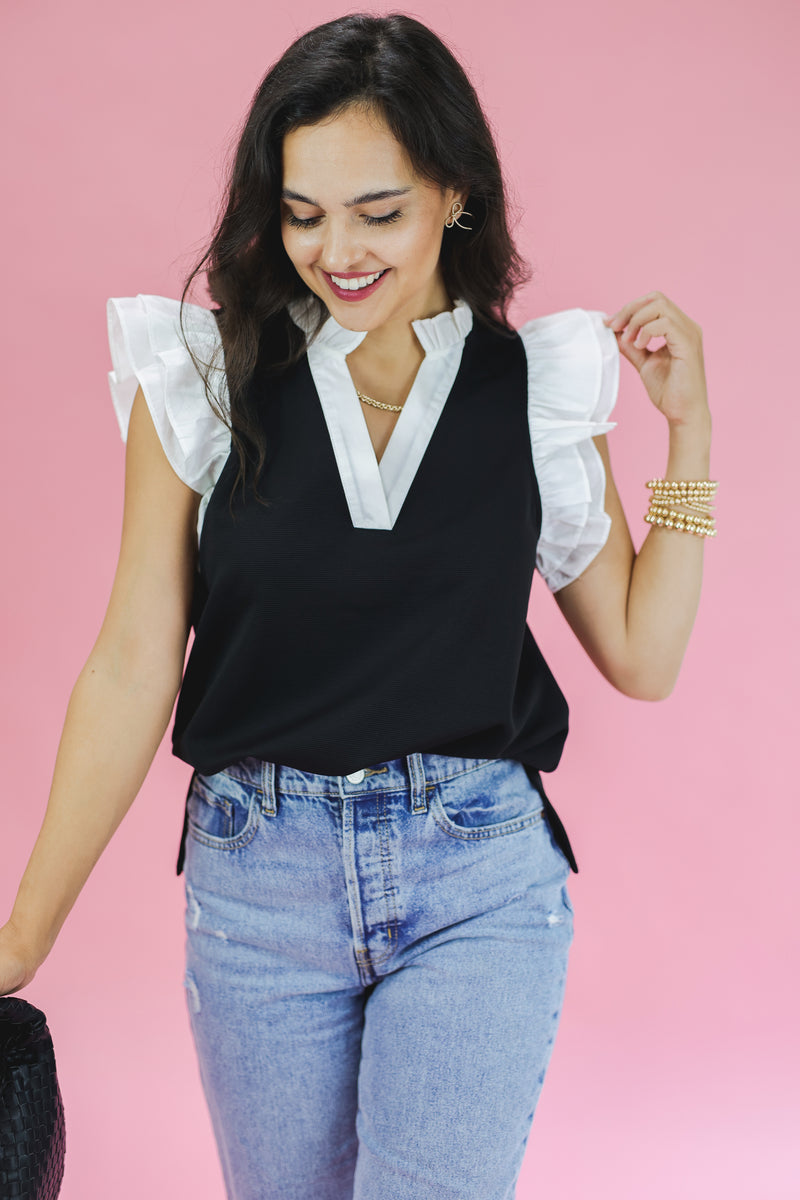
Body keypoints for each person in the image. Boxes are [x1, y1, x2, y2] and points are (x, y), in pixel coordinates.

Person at [0, 12, 714, 1200]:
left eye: (377, 211)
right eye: (300, 212)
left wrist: (688, 432)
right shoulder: (201, 375)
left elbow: (640, 653)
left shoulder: (534, 387)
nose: (336, 250)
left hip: (475, 868)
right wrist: (25, 931)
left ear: (454, 195)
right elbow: (133, 661)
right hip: (256, 875)